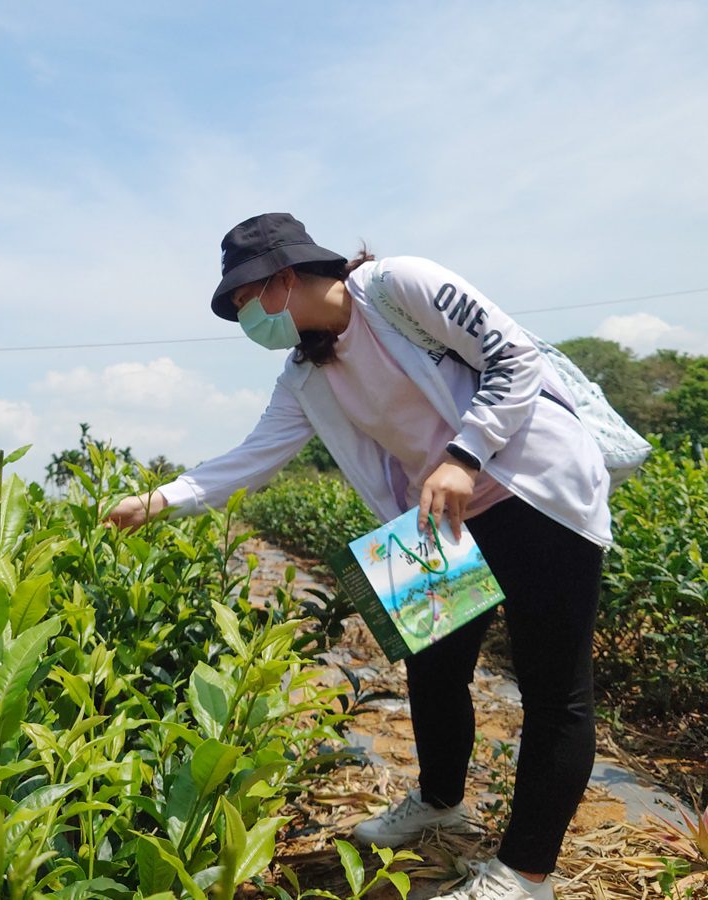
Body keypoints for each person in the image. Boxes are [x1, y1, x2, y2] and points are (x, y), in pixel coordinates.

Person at [108, 213, 609, 900]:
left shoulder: (400, 286)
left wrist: (465, 455)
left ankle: (525, 875)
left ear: (282, 278)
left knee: (554, 693)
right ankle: (438, 802)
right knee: (429, 667)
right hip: (432, 515)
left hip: (532, 488)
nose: (247, 320)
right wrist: (158, 500)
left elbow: (517, 358)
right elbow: (254, 458)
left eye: (246, 301)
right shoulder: (305, 373)